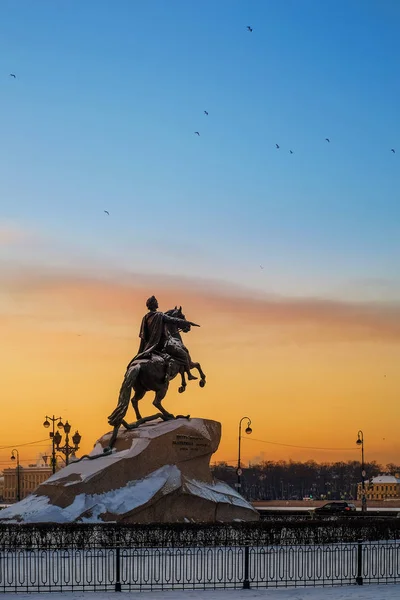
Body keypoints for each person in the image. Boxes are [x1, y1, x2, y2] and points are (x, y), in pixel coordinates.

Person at [132, 296, 199, 380]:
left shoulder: (145, 317)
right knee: (184, 355)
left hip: (148, 346)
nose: (158, 303)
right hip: (162, 344)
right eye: (156, 302)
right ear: (154, 304)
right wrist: (187, 322)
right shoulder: (160, 315)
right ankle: (189, 374)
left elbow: (143, 335)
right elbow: (173, 320)